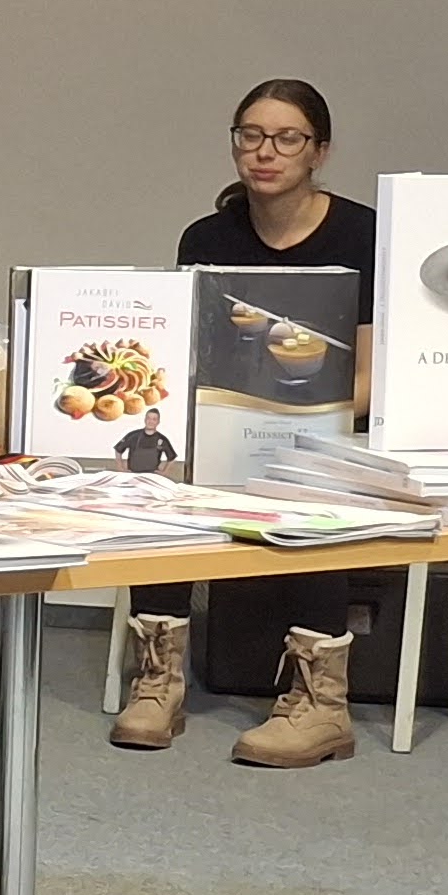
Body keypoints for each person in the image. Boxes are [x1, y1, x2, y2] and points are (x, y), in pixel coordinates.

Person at [114, 77, 379, 768]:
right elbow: (195, 353)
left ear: (319, 150)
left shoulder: (363, 232)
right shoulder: (206, 236)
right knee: (162, 482)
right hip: (228, 419)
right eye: (251, 135)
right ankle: (158, 679)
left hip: (327, 429)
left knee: (317, 489)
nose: (265, 152)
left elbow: (373, 371)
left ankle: (321, 705)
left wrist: (311, 426)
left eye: (287, 138)